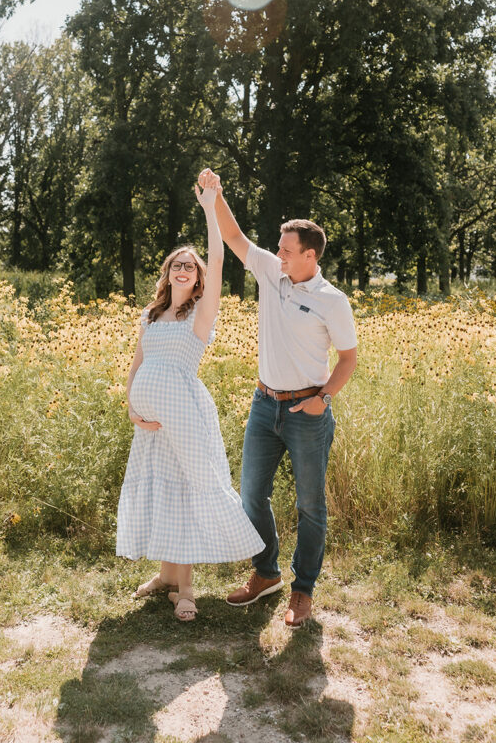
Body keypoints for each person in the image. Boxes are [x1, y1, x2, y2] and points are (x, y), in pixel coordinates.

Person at [197, 168, 357, 628]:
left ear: (310, 255)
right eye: (279, 249)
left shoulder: (333, 300)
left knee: (311, 505)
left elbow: (347, 358)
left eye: (287, 250)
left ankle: (302, 591)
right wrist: (217, 194)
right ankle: (265, 573)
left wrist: (323, 399)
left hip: (308, 411)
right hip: (264, 405)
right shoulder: (271, 270)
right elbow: (232, 234)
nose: (278, 255)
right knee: (251, 494)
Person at [116, 182, 264, 622]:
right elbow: (136, 364)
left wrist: (209, 207)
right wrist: (132, 408)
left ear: (197, 277)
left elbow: (218, 259)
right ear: (167, 273)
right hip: (151, 422)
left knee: (185, 493)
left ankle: (186, 590)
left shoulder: (200, 314)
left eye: (190, 266)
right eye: (177, 264)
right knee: (162, 489)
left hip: (185, 413)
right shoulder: (151, 314)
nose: (184, 269)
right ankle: (165, 576)